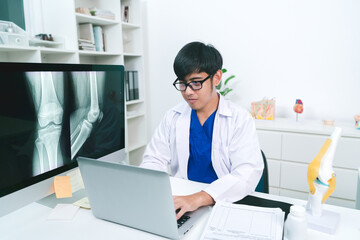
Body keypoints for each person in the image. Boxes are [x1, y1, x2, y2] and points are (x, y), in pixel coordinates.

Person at [140, 41, 263, 220]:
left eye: (196, 83)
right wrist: (152, 190)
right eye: (182, 83)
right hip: (183, 202)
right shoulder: (173, 117)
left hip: (224, 202)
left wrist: (198, 198)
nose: (188, 91)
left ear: (217, 77)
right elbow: (153, 159)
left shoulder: (239, 119)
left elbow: (247, 172)